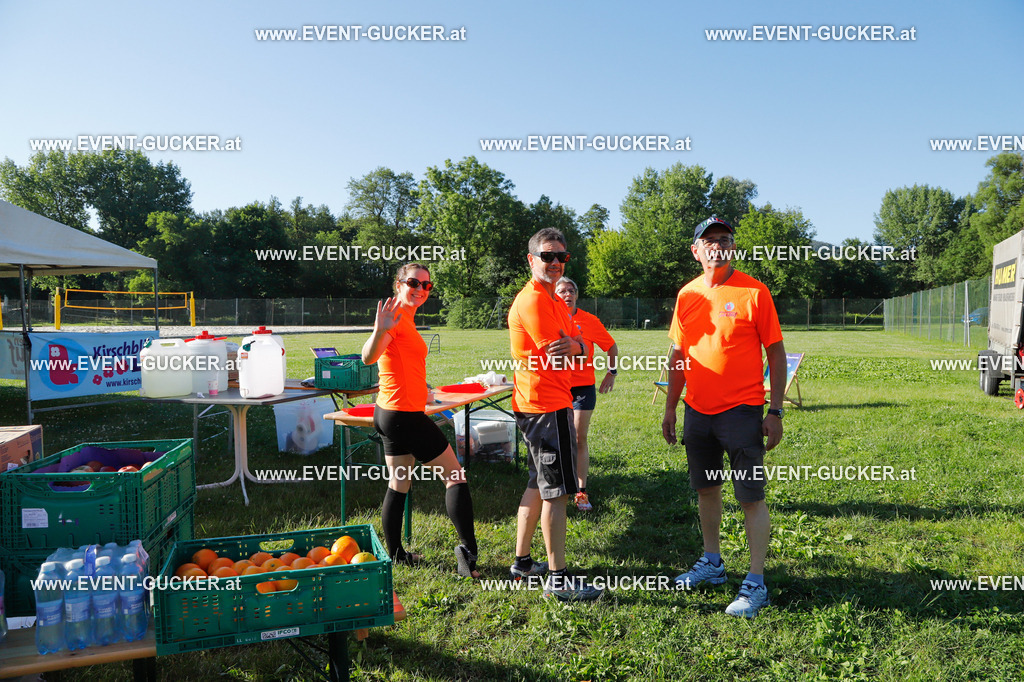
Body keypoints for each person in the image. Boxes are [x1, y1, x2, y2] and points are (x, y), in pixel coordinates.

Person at [661, 216, 787, 619]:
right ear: (695, 250)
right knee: (706, 490)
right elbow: (678, 356)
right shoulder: (686, 295)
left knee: (750, 497)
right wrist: (670, 407)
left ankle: (755, 582)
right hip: (697, 411)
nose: (717, 244)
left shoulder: (754, 292)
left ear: (732, 247)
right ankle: (712, 564)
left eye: (724, 239)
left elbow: (777, 354)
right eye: (708, 240)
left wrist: (776, 410)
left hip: (742, 412)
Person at [362, 262, 480, 578]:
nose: (421, 289)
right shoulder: (394, 319)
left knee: (399, 483)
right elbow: (368, 357)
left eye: (427, 285)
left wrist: (423, 388)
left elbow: (402, 365)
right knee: (455, 476)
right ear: (398, 284)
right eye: (414, 282)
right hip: (403, 416)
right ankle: (469, 556)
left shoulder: (408, 320)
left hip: (390, 413)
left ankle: (397, 554)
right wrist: (379, 329)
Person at [507, 228, 603, 601]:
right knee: (557, 493)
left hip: (542, 402)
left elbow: (577, 346)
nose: (555, 263)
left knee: (538, 484)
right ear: (531, 260)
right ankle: (558, 581)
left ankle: (522, 563)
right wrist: (578, 346)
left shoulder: (553, 300)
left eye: (561, 257)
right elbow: (562, 352)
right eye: (547, 256)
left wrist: (577, 344)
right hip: (546, 406)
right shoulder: (533, 301)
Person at [554, 276, 618, 512]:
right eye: (562, 291)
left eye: (571, 290)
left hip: (582, 388)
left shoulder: (589, 321)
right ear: (554, 294)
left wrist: (611, 372)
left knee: (578, 437)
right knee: (557, 438)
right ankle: (557, 485)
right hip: (555, 385)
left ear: (577, 295)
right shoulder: (548, 317)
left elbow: (611, 346)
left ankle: (581, 491)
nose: (567, 294)